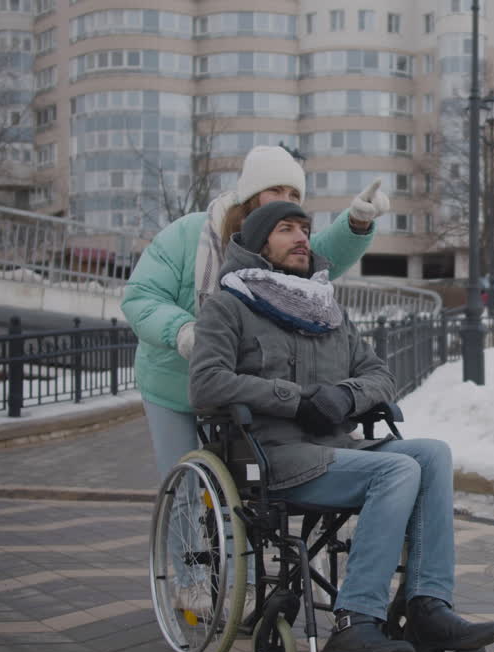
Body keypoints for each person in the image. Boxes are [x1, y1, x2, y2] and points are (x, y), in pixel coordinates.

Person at [188, 201, 494, 652]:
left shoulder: (326, 312)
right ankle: (356, 622)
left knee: (433, 453)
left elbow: (380, 375)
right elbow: (207, 383)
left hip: (337, 449)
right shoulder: (228, 306)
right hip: (273, 456)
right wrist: (292, 398)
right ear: (258, 244)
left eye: (304, 228)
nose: (301, 238)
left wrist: (344, 397)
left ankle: (427, 607)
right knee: (396, 471)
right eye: (286, 229)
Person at [122, 144, 390, 481]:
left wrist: (356, 223)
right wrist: (185, 332)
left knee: (246, 490)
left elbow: (311, 256)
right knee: (184, 484)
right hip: (174, 380)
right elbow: (141, 296)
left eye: (294, 192)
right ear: (249, 195)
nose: (287, 198)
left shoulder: (277, 242)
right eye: (275, 189)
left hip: (242, 384)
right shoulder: (187, 234)